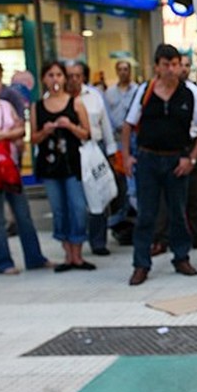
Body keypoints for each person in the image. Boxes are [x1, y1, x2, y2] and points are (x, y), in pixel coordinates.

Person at [122, 44, 197, 286]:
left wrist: (192, 157)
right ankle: (141, 264)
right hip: (148, 158)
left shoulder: (190, 92)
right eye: (167, 65)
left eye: (175, 64)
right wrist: (126, 156)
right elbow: (128, 124)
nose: (172, 69)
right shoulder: (145, 91)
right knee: (146, 214)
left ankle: (181, 257)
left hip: (177, 159)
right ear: (157, 67)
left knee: (178, 212)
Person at [0, 62, 51, 275]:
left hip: (10, 166)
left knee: (23, 214)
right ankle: (4, 262)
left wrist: (7, 133)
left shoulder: (5, 105)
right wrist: (9, 133)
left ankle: (34, 257)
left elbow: (21, 129)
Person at [30, 61, 94, 272]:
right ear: (43, 79)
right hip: (50, 165)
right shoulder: (37, 107)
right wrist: (45, 131)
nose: (55, 79)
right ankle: (68, 254)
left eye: (58, 75)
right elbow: (34, 138)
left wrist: (70, 126)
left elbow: (87, 133)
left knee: (77, 207)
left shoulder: (75, 103)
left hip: (72, 164)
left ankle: (78, 252)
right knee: (59, 209)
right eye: (50, 75)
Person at [67, 61, 118, 257]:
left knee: (100, 194)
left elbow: (105, 124)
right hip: (72, 152)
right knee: (77, 199)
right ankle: (77, 239)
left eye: (77, 75)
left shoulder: (94, 96)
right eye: (69, 75)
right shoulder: (55, 99)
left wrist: (111, 150)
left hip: (95, 148)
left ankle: (98, 241)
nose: (73, 80)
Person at [104, 60, 139, 241]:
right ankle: (119, 224)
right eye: (121, 70)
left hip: (134, 139)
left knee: (133, 183)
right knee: (119, 185)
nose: (124, 72)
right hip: (117, 141)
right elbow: (106, 118)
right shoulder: (109, 93)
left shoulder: (137, 91)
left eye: (127, 69)